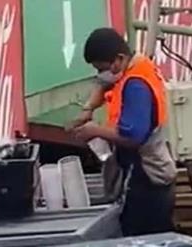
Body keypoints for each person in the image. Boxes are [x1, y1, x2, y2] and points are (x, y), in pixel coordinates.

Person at [70, 28, 177, 236]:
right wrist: (88, 109)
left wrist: (96, 130)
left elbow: (133, 137)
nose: (102, 73)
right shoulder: (134, 64)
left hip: (149, 179)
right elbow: (103, 84)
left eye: (103, 68)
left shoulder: (136, 85)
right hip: (143, 173)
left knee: (145, 237)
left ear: (119, 58)